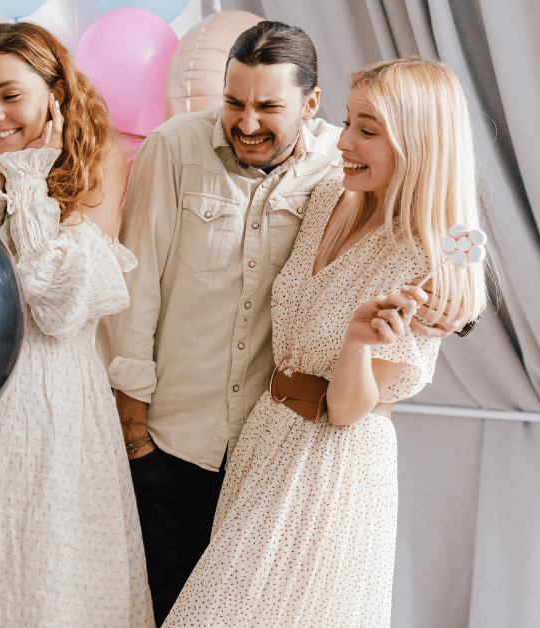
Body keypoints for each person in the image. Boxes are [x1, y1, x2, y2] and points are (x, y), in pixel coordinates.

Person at [100, 22, 468, 624]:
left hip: (300, 458)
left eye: (268, 106)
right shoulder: (188, 151)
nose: (246, 123)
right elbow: (134, 290)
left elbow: (444, 214)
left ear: (310, 104)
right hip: (184, 444)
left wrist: (465, 294)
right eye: (233, 102)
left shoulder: (335, 168)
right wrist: (135, 433)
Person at [0, 22, 153, 627]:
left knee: (57, 587)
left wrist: (25, 179)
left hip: (57, 415)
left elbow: (55, 304)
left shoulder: (96, 166)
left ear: (54, 96)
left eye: (9, 94)